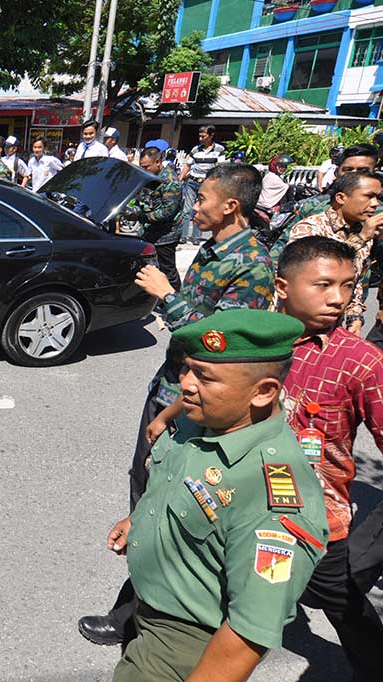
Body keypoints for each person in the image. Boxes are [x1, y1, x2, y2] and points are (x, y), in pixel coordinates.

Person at [78, 164, 275, 646]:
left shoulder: (251, 264)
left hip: (199, 408)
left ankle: (141, 619)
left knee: (165, 510)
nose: (195, 204)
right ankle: (144, 613)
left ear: (231, 206)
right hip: (172, 395)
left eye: (203, 197)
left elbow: (218, 344)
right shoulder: (213, 248)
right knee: (145, 497)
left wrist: (167, 296)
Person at [109, 308, 328, 682]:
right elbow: (174, 483)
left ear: (263, 392)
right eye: (187, 369)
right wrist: (138, 521)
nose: (186, 385)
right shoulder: (205, 421)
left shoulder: (273, 495)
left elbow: (250, 631)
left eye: (205, 377)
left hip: (186, 645)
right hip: (149, 612)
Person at [272, 236, 383, 681]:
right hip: (239, 502)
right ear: (283, 286)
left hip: (315, 516)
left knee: (341, 602)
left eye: (349, 285)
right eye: (323, 285)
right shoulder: (252, 339)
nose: (339, 298)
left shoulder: (361, 362)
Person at [274, 171, 383, 334]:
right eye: (369, 196)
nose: (375, 204)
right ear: (341, 198)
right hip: (295, 327)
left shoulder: (363, 232)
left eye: (377, 197)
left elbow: (354, 281)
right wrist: (361, 238)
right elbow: (310, 272)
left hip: (330, 328)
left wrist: (355, 318)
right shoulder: (311, 227)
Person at [271, 144, 380, 260]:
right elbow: (281, 253)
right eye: (348, 170)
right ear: (337, 172)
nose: (354, 175)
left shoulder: (378, 212)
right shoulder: (314, 208)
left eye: (363, 171)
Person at [120, 145, 182, 291]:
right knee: (148, 267)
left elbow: (167, 212)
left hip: (166, 234)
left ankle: (176, 299)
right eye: (142, 166)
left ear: (158, 162)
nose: (144, 169)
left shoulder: (170, 182)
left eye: (147, 166)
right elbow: (140, 201)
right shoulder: (147, 177)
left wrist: (141, 216)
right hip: (148, 231)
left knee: (167, 269)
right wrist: (131, 211)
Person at [179, 125, 226, 245]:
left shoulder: (219, 150)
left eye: (203, 136)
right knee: (187, 210)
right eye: (199, 136)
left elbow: (220, 168)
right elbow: (187, 166)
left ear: (211, 136)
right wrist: (180, 179)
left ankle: (196, 237)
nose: (200, 138)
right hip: (192, 182)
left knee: (201, 209)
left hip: (207, 184)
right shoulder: (195, 150)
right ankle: (183, 236)